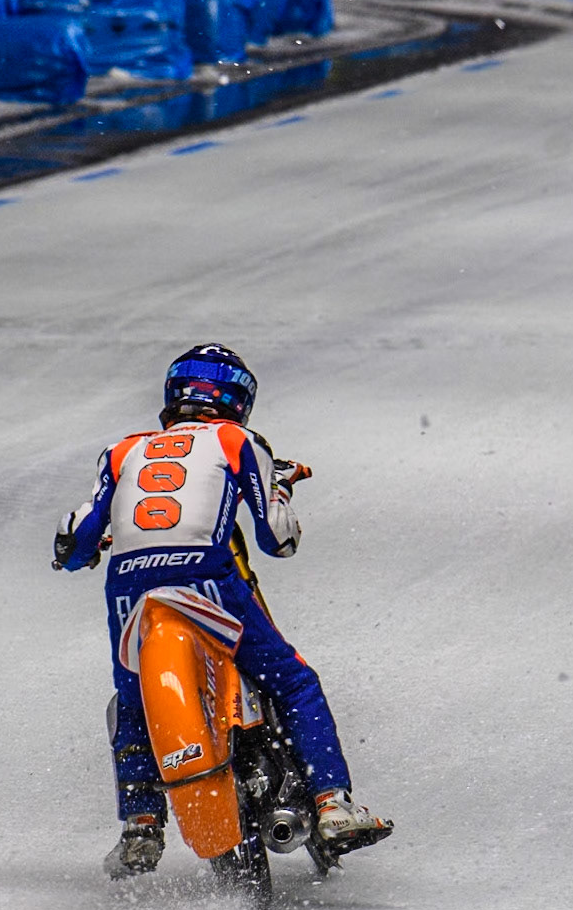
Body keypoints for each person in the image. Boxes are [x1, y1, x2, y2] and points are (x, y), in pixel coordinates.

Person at [54, 344, 392, 878]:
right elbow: (276, 540)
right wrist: (278, 489)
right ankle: (332, 803)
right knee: (295, 681)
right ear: (238, 401)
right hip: (206, 575)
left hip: (129, 588)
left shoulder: (121, 452)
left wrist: (81, 551)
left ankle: (140, 826)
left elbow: (74, 542)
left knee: (133, 698)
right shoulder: (238, 441)